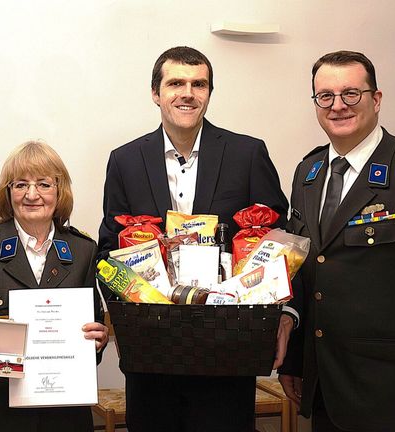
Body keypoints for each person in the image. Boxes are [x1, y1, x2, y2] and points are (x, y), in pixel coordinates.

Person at [98, 46, 290, 431]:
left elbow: (277, 244)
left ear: (209, 92)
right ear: (156, 93)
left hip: (227, 351)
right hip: (151, 348)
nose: (188, 93)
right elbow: (108, 247)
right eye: (176, 83)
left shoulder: (247, 153)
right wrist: (128, 315)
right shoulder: (124, 160)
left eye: (198, 84)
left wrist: (281, 314)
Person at [277, 50, 395, 432]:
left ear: (376, 99)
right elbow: (304, 273)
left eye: (351, 94)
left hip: (393, 394)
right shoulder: (308, 172)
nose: (337, 106)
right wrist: (295, 363)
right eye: (325, 96)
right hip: (324, 387)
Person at [0, 141, 109, 432]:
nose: (32, 195)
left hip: (63, 414)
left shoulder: (83, 250)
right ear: (8, 193)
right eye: (21, 184)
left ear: (59, 192)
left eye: (44, 184)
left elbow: (92, 328)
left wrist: (98, 339)